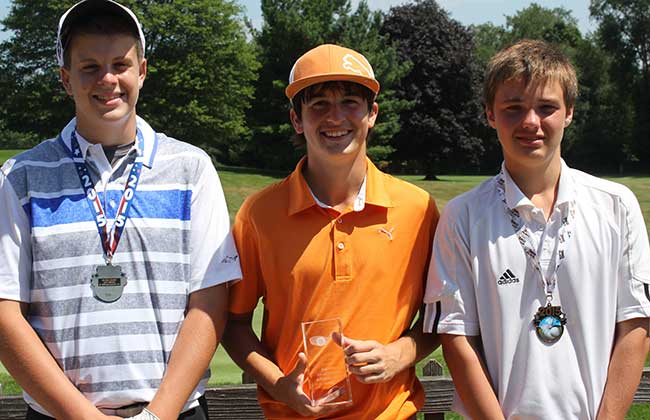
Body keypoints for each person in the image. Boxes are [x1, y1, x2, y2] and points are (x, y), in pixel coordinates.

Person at [0, 1, 241, 419]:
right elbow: (4, 313)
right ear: (65, 80)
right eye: (89, 67)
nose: (107, 79)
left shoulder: (191, 168)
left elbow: (209, 303)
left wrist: (156, 416)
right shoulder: (19, 176)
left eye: (120, 64)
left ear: (142, 72)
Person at [423, 39, 650, 419]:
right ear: (490, 115)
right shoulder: (462, 216)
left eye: (547, 108)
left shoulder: (616, 205)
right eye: (513, 108)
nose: (530, 122)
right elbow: (456, 337)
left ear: (569, 113)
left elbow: (635, 323)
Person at [221, 44, 440, 419]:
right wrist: (278, 385)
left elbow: (440, 319)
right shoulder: (259, 214)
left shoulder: (417, 209)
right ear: (296, 119)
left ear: (372, 114)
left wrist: (396, 355)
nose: (335, 117)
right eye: (318, 104)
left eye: (351, 102)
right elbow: (234, 323)